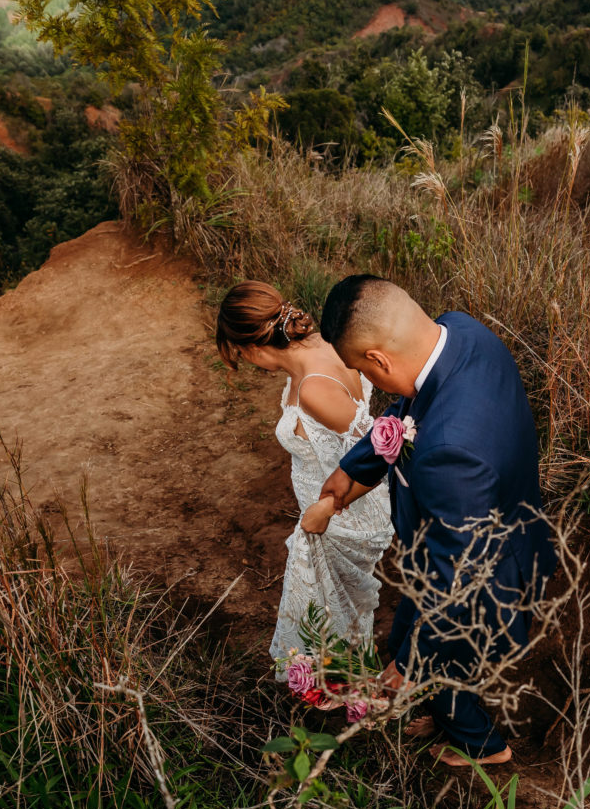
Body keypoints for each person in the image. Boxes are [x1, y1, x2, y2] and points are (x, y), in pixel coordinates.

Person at [313, 275, 557, 766]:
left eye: (362, 369)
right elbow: (408, 410)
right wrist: (356, 468)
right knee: (407, 630)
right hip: (485, 535)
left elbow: (458, 580)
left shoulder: (451, 451)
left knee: (442, 669)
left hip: (485, 576)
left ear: (379, 360)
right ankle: (430, 688)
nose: (368, 380)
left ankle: (483, 747)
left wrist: (412, 664)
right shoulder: (460, 333)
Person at [215, 280, 393, 670]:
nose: (249, 363)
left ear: (252, 347)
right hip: (334, 508)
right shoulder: (323, 345)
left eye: (241, 355)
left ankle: (350, 683)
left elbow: (378, 452)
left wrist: (325, 509)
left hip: (340, 517)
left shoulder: (315, 388)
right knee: (330, 615)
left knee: (333, 619)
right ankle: (346, 676)